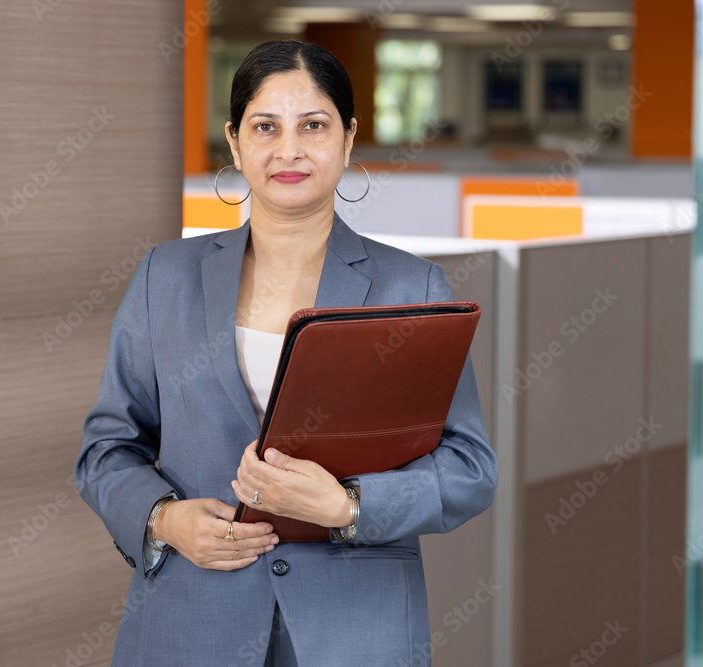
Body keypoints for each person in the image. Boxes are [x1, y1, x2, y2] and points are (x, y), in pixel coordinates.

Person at [74, 39, 498, 666]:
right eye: (265, 127)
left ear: (348, 139)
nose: (290, 150)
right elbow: (107, 449)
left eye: (314, 125)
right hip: (192, 621)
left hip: (352, 627)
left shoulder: (411, 287)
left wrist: (350, 506)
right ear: (235, 141)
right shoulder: (165, 277)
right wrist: (163, 520)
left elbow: (469, 468)